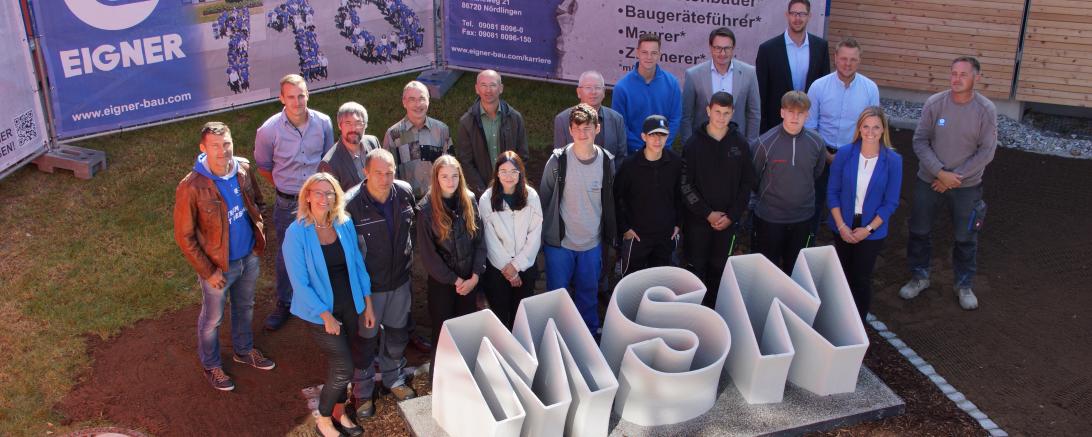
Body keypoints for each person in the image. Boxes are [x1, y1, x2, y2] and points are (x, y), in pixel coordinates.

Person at [174, 122, 274, 392]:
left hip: (248, 258)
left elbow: (258, 203)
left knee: (245, 307)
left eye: (226, 144)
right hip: (218, 267)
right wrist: (208, 271)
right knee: (212, 319)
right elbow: (184, 236)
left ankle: (244, 350)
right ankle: (211, 365)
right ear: (203, 148)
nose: (223, 151)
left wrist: (258, 239)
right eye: (215, 146)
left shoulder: (243, 169)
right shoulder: (191, 186)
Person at [900, 56, 997, 311]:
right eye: (954, 73)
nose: (957, 79)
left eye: (963, 74)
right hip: (930, 181)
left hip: (966, 185)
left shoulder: (985, 110)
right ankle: (919, 276)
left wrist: (954, 178)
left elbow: (987, 151)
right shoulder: (935, 103)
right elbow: (920, 140)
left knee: (966, 237)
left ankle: (964, 284)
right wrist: (940, 172)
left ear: (977, 77)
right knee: (919, 230)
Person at [283, 172, 375, 437]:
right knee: (343, 366)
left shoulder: (343, 223)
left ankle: (339, 413)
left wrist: (368, 304)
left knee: (345, 364)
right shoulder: (296, 233)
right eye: (318, 193)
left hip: (350, 305)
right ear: (307, 197)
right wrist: (326, 316)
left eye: (330, 193)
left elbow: (357, 265)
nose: (324, 198)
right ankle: (324, 420)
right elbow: (300, 284)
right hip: (319, 312)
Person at [254, 73, 335, 331]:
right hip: (287, 203)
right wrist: (286, 188)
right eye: (291, 97)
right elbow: (264, 167)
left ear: (308, 95)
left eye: (301, 95)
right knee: (287, 254)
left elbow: (327, 161)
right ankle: (285, 302)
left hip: (319, 200)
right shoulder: (268, 131)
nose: (297, 102)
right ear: (282, 98)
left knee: (325, 247)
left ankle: (326, 299)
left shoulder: (323, 123)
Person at [343, 149, 419, 420]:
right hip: (369, 289)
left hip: (400, 281)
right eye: (378, 173)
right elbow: (348, 256)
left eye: (390, 173)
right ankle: (362, 391)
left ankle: (393, 378)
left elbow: (412, 232)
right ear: (365, 172)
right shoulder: (350, 204)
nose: (385, 179)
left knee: (397, 334)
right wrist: (360, 295)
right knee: (365, 341)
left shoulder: (405, 193)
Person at [540, 103, 617, 336]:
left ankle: (588, 336)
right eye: (577, 128)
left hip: (591, 244)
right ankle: (555, 337)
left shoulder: (606, 162)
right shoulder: (557, 161)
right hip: (560, 244)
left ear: (597, 128)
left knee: (588, 295)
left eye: (588, 128)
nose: (583, 134)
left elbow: (609, 199)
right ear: (570, 130)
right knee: (557, 297)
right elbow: (545, 199)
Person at [680, 93, 757, 306]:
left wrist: (732, 216)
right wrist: (707, 213)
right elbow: (685, 185)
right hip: (698, 222)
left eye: (726, 113)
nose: (721, 118)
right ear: (708, 111)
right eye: (717, 112)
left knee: (720, 269)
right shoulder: (693, 144)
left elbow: (747, 184)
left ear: (733, 113)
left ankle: (715, 309)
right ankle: (694, 311)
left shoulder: (740, 144)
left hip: (728, 223)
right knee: (696, 269)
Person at [827, 106, 902, 321]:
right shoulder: (844, 154)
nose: (870, 132)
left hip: (872, 230)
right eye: (866, 126)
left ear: (883, 130)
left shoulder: (894, 160)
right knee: (842, 275)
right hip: (842, 225)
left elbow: (891, 202)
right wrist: (841, 226)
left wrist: (868, 229)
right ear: (859, 128)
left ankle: (858, 322)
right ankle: (838, 319)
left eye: (876, 127)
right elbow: (832, 192)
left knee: (861, 278)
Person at [417, 155, 487, 368]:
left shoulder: (469, 199)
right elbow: (429, 256)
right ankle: (440, 377)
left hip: (469, 279)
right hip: (443, 284)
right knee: (443, 333)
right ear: (436, 178)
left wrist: (475, 276)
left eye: (454, 176)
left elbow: (480, 241)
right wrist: (455, 280)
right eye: (445, 176)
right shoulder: (426, 210)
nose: (450, 181)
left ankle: (468, 374)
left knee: (467, 331)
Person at [806, 38, 880, 233]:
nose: (848, 64)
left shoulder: (870, 89)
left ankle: (843, 245)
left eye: (853, 59)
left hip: (853, 157)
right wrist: (827, 156)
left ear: (860, 60)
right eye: (844, 58)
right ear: (835, 58)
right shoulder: (818, 87)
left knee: (848, 208)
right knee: (814, 206)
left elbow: (872, 129)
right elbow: (810, 127)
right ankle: (809, 243)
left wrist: (850, 154)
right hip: (821, 156)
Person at [752, 91, 826, 273]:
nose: (795, 117)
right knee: (767, 269)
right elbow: (754, 177)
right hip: (770, 218)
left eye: (800, 113)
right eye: (790, 111)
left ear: (807, 115)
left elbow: (816, 172)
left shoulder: (817, 143)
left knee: (796, 269)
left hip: (803, 217)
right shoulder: (764, 143)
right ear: (782, 112)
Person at [478, 151, 543, 329]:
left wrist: (517, 265)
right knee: (499, 315)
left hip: (525, 267)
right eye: (503, 171)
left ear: (520, 173)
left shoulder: (531, 197)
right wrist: (509, 269)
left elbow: (534, 234)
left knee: (521, 317)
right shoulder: (486, 199)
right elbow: (489, 238)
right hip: (498, 269)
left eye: (513, 171)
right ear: (497, 173)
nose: (509, 176)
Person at [614, 115, 682, 275]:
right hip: (637, 236)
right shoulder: (629, 165)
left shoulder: (675, 162)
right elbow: (616, 198)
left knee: (660, 278)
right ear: (643, 136)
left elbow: (680, 196)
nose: (657, 140)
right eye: (652, 135)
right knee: (632, 280)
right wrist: (625, 228)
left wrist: (678, 223)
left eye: (662, 135)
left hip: (666, 235)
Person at [755, 0, 830, 133]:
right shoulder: (767, 49)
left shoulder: (821, 47)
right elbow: (761, 94)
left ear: (809, 16)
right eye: (794, 13)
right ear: (787, 15)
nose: (797, 18)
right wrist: (764, 130)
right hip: (775, 125)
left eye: (802, 14)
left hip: (809, 125)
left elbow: (824, 89)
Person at [682, 27, 762, 144]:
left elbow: (754, 114)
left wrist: (750, 145)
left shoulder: (749, 73)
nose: (722, 53)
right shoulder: (693, 75)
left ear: (733, 48)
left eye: (727, 48)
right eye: (718, 48)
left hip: (737, 145)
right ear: (710, 47)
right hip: (702, 144)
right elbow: (686, 116)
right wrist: (688, 146)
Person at [455, 70, 529, 193]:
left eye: (493, 85)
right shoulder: (466, 122)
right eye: (483, 85)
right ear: (477, 89)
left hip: (511, 189)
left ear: (501, 88)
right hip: (481, 192)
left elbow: (522, 156)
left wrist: (511, 184)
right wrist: (483, 192)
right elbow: (465, 162)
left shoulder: (515, 118)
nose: (488, 90)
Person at [612, 33, 682, 153]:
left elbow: (676, 118)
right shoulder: (622, 87)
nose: (649, 57)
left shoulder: (672, 84)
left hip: (663, 152)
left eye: (653, 53)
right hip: (633, 154)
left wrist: (660, 145)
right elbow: (620, 125)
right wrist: (642, 149)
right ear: (637, 53)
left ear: (659, 54)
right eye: (644, 52)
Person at [383, 80, 453, 199]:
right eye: (412, 99)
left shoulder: (442, 130)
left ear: (428, 101)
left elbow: (451, 167)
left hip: (439, 200)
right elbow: (388, 173)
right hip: (408, 202)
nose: (418, 104)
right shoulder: (394, 134)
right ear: (404, 102)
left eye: (422, 98)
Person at [553, 71, 627, 172]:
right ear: (579, 92)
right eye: (588, 87)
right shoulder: (563, 119)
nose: (593, 92)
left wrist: (611, 179)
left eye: (597, 87)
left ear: (604, 92)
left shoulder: (617, 119)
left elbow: (621, 157)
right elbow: (560, 158)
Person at [319, 101, 380, 191]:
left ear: (365, 125)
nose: (353, 128)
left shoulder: (373, 142)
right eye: (348, 123)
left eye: (358, 123)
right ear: (339, 125)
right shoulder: (329, 164)